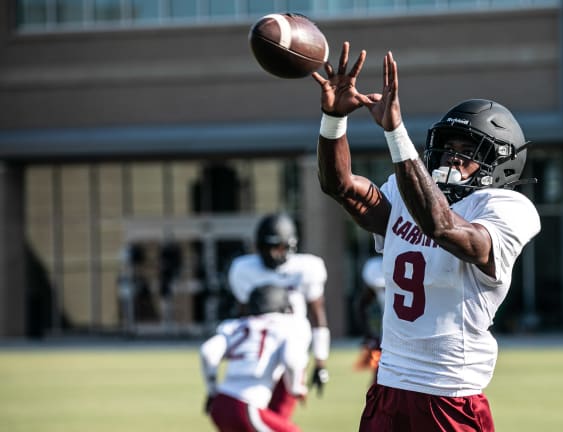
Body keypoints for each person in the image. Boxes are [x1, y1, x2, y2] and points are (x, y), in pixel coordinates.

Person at [312, 42, 541, 431]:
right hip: (389, 383)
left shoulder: (507, 208)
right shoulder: (406, 193)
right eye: (447, 147)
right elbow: (342, 187)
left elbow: (444, 227)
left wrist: (395, 133)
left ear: (500, 161)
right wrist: (333, 121)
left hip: (450, 392)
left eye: (467, 150)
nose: (452, 157)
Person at [227, 212, 330, 419]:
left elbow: (318, 315)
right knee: (254, 410)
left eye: (279, 247)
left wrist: (321, 362)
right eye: (268, 248)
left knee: (278, 415)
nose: (274, 254)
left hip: (293, 348)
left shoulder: (306, 268)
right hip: (261, 352)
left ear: (291, 246)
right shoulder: (244, 269)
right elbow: (243, 317)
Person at [200, 284, 310, 432]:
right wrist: (296, 387)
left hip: (220, 404)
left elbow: (208, 352)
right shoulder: (285, 325)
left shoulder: (235, 326)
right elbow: (292, 359)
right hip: (246, 406)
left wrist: (212, 390)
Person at [354, 256, 385, 377]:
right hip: (390, 343)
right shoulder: (376, 268)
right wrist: (369, 335)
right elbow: (361, 304)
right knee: (381, 386)